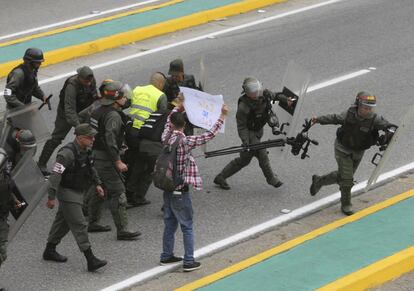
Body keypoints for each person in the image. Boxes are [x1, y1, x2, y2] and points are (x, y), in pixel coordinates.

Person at [160, 95, 228, 272]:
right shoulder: (185, 141)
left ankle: (166, 256)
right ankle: (189, 261)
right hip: (180, 189)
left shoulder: (166, 136)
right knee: (187, 225)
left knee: (169, 222)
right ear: (184, 125)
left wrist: (179, 106)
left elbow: (169, 119)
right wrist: (221, 116)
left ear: (173, 124)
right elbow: (208, 135)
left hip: (167, 186)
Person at [309, 91, 395, 215]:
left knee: (343, 177)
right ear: (358, 105)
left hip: (359, 152)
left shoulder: (374, 119)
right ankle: (346, 205)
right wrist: (318, 119)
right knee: (347, 180)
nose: (368, 110)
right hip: (342, 149)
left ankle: (319, 181)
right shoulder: (348, 115)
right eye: (365, 107)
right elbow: (334, 118)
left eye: (370, 108)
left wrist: (390, 133)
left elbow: (388, 127)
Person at [43, 124, 107, 272]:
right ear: (79, 138)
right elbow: (55, 176)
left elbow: (91, 168)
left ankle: (49, 250)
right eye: (89, 137)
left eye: (93, 137)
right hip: (67, 192)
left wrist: (98, 183)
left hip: (79, 190)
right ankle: (91, 259)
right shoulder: (66, 154)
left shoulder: (86, 150)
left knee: (63, 222)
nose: (93, 140)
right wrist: (51, 197)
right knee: (80, 223)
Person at [213, 77, 291, 190]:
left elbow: (276, 96)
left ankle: (220, 177)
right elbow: (241, 126)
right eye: (252, 91)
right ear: (247, 92)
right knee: (262, 153)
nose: (256, 92)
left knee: (244, 160)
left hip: (258, 131)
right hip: (249, 134)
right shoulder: (243, 107)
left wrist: (286, 100)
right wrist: (245, 142)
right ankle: (271, 178)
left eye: (257, 89)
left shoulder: (265, 94)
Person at [87, 81, 140, 240]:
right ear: (116, 98)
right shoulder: (113, 116)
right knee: (117, 192)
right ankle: (123, 230)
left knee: (100, 188)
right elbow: (110, 139)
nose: (126, 98)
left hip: (96, 156)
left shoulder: (97, 111)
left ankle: (92, 221)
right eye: (123, 95)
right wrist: (117, 160)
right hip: (106, 159)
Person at [38, 66, 98, 175]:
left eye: (90, 81)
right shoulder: (72, 85)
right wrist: (79, 127)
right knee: (56, 138)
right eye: (86, 81)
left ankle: (89, 166)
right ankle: (41, 163)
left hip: (84, 111)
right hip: (66, 114)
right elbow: (69, 110)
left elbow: (94, 97)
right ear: (79, 78)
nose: (89, 83)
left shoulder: (91, 80)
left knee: (90, 137)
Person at [125, 72, 168, 207]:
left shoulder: (137, 89)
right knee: (149, 165)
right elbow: (162, 118)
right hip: (145, 134)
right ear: (160, 83)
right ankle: (138, 195)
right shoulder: (161, 96)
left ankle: (128, 191)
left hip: (130, 132)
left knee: (136, 162)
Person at [0, 127, 35, 279]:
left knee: (2, 252)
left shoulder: (5, 177)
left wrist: (14, 200)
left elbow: (9, 188)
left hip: (2, 216)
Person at [163, 59, 201, 136]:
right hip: (175, 115)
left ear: (182, 72)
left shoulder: (190, 78)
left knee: (188, 136)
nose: (174, 77)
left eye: (176, 75)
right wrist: (175, 102)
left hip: (188, 113)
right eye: (172, 75)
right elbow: (165, 101)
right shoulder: (168, 82)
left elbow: (194, 93)